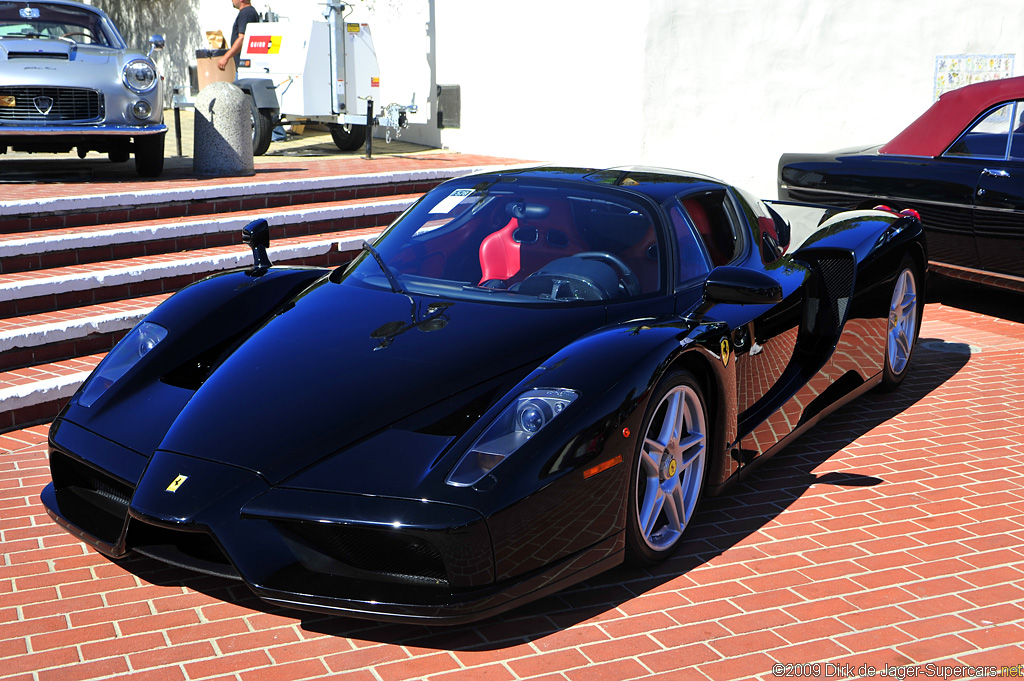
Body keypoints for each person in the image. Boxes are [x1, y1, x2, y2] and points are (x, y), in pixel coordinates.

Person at [217, 0, 259, 71]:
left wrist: (226, 57)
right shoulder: (248, 12)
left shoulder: (246, 13)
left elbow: (242, 38)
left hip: (245, 65)